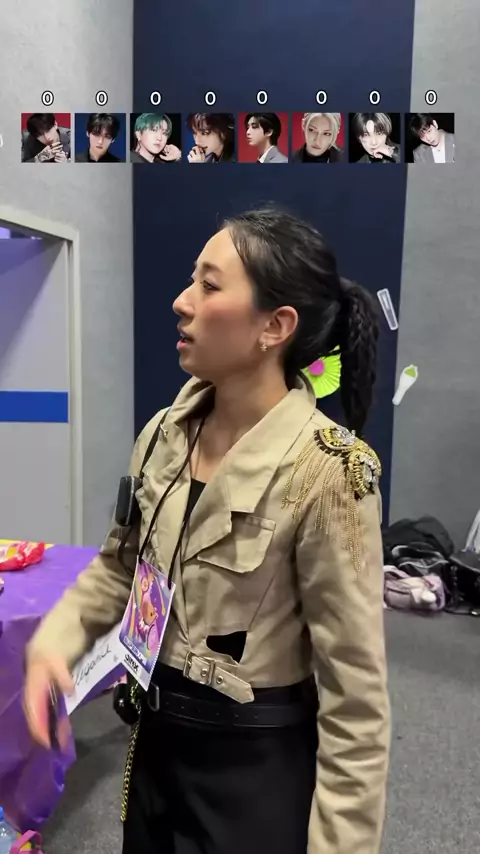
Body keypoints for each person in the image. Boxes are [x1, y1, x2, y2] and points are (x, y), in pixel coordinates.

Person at [23, 207, 390, 854]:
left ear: (274, 327)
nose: (181, 301)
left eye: (210, 285)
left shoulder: (326, 473)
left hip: (250, 775)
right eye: (192, 279)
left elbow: (355, 703)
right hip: (156, 747)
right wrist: (55, 643)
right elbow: (119, 567)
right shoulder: (163, 435)